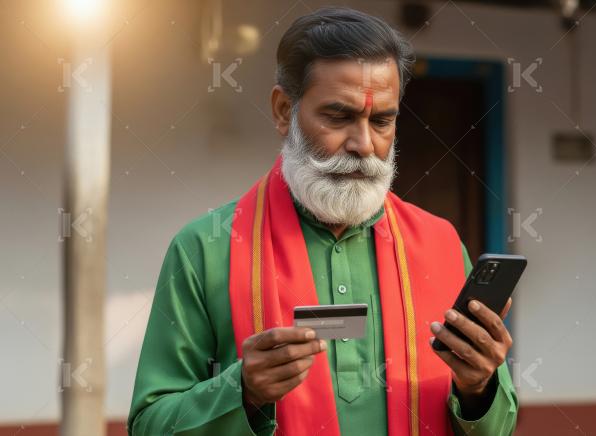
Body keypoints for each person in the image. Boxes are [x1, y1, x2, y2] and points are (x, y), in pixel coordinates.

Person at [127, 7, 518, 436]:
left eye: (382, 121)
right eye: (339, 116)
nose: (363, 144)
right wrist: (241, 391)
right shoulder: (205, 248)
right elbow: (150, 424)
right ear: (282, 111)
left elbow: (497, 426)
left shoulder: (440, 243)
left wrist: (478, 388)